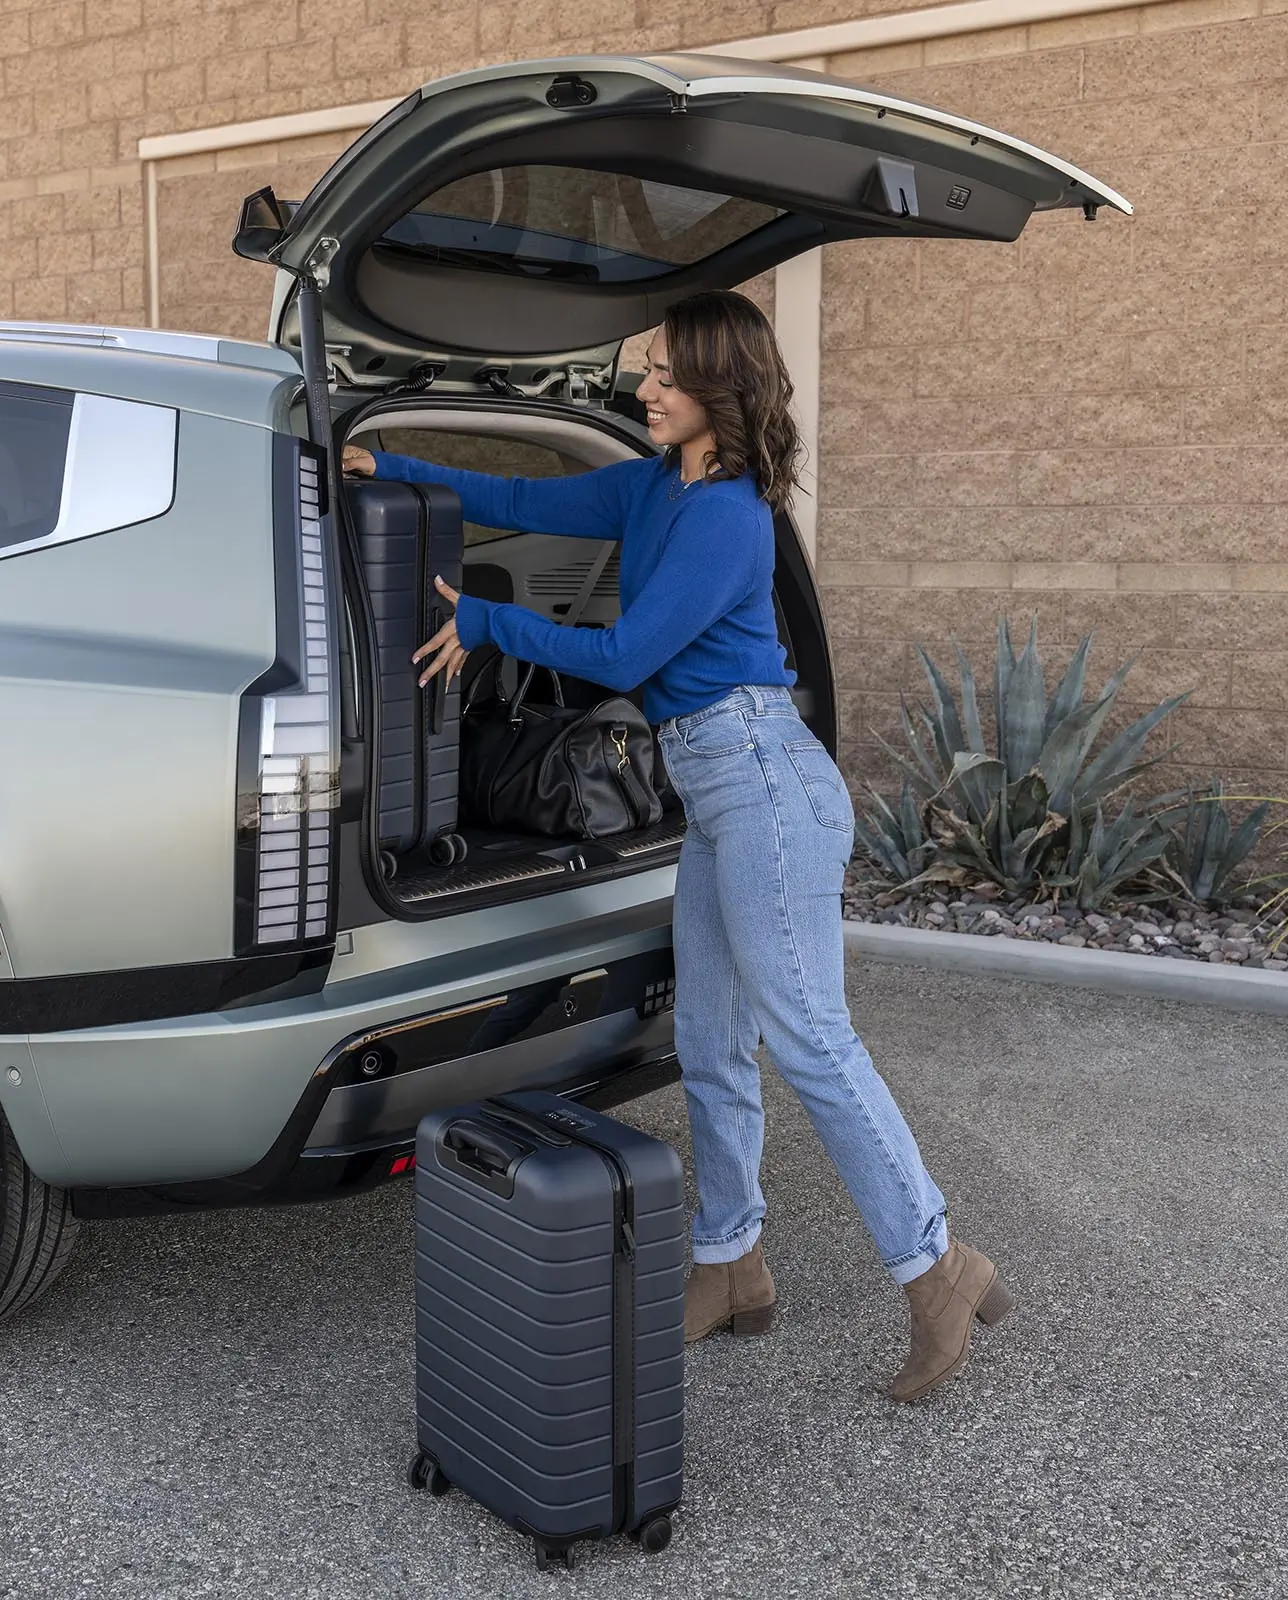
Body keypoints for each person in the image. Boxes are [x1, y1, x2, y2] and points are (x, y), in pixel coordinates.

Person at [341, 289, 1012, 1403]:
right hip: (715, 792)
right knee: (707, 1037)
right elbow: (525, 495)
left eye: (662, 374)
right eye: (644, 370)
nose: (641, 389)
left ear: (719, 390)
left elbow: (626, 650)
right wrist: (392, 469)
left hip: (765, 784)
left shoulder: (730, 518)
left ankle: (935, 1262)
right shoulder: (655, 486)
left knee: (810, 1040)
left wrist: (490, 622)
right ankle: (731, 1261)